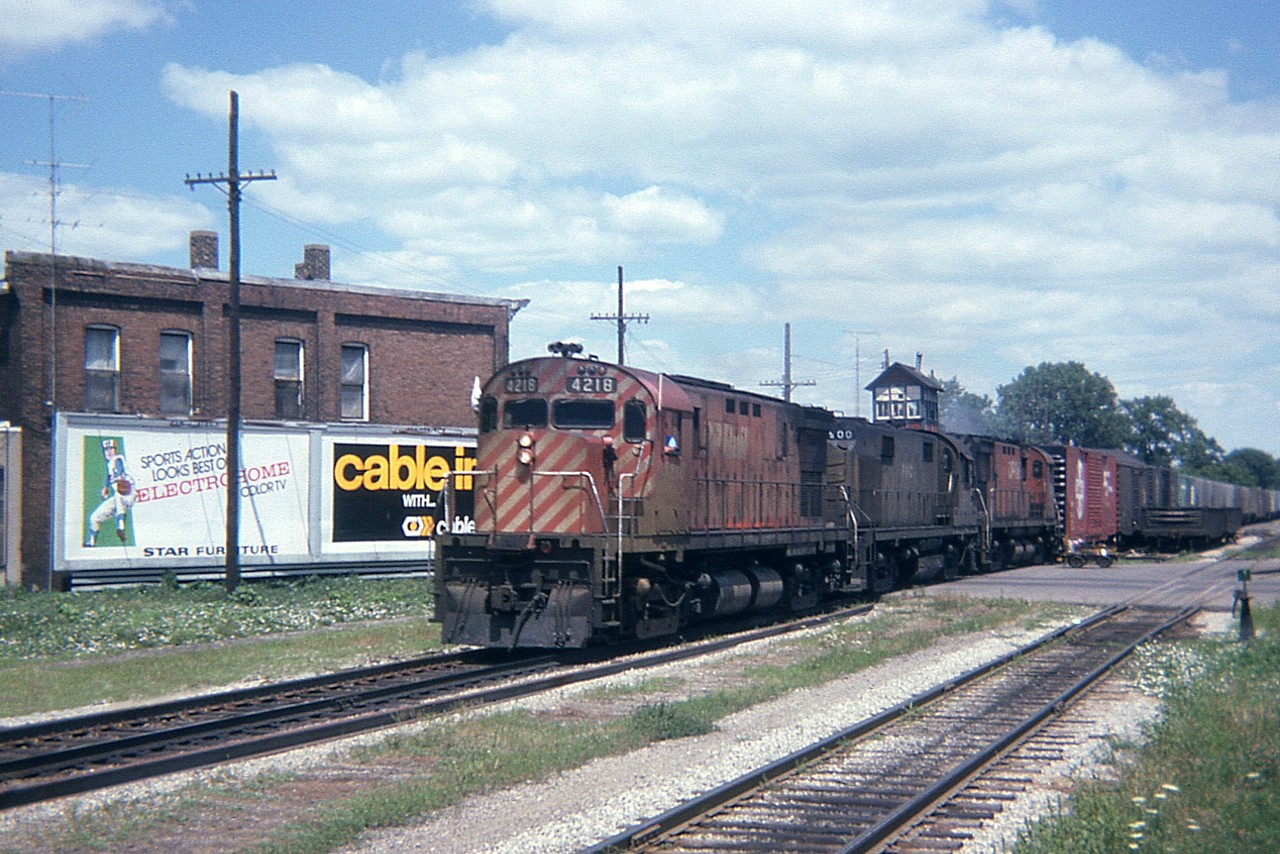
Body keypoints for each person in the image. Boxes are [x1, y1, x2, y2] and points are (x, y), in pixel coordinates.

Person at [85, 438, 136, 547]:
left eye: (111, 448)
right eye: (106, 449)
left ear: (115, 450)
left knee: (118, 495)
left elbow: (119, 469)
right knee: (94, 518)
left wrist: (115, 479)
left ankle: (120, 528)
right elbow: (108, 476)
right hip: (119, 499)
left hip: (129, 494)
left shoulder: (118, 458)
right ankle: (92, 543)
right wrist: (105, 487)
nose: (108, 451)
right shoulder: (109, 464)